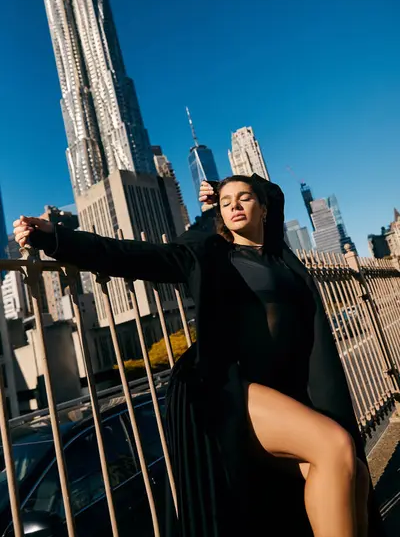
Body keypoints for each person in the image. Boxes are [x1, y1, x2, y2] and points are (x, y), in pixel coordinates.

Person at [13, 174, 382, 537]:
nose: (234, 205)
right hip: (227, 388)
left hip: (280, 391)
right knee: (336, 447)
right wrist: (55, 238)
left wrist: (223, 185)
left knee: (354, 473)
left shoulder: (282, 260)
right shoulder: (208, 255)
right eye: (226, 202)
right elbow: (129, 255)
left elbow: (271, 191)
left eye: (244, 198)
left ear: (265, 209)